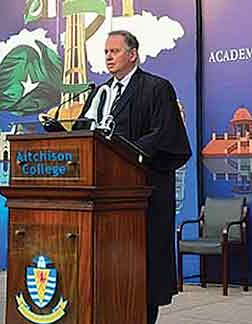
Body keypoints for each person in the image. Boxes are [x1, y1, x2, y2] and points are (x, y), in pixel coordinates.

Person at [75, 30, 191, 324]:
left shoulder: (156, 88)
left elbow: (165, 136)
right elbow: (83, 133)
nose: (108, 57)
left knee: (143, 269)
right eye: (106, 52)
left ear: (133, 54)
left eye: (114, 51)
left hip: (143, 195)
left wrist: (123, 154)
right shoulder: (100, 93)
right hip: (104, 197)